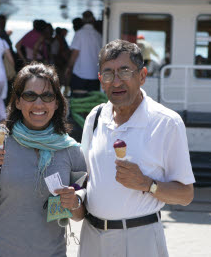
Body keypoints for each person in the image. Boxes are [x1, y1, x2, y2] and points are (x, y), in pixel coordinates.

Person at [79, 40, 195, 257]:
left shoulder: (166, 122)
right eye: (108, 74)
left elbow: (186, 195)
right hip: (92, 238)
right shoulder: (94, 117)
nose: (116, 82)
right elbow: (84, 178)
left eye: (124, 72)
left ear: (142, 75)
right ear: (100, 80)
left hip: (139, 239)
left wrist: (146, 184)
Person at [0, 63, 87, 257]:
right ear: (17, 102)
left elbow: (79, 215)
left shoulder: (71, 149)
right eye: (30, 96)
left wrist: (73, 202)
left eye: (47, 96)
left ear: (57, 103)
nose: (38, 104)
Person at [66, 11, 102, 97]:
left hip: (80, 75)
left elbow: (75, 53)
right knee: (91, 103)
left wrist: (68, 68)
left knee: (78, 103)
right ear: (93, 20)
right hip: (95, 75)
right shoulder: (98, 35)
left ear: (82, 20)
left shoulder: (79, 34)